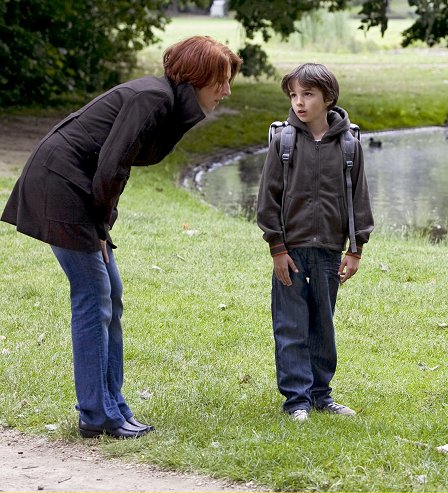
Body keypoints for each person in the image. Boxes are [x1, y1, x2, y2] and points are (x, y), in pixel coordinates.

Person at [1, 36, 242, 439]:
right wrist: (100, 224)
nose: (226, 91)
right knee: (93, 295)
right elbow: (112, 165)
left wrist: (101, 224)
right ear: (196, 75)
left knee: (110, 292)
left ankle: (113, 407)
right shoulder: (153, 98)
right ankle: (97, 413)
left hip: (77, 186)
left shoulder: (163, 99)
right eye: (220, 80)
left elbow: (117, 163)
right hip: (60, 184)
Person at [257, 63, 374, 422]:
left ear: (328, 98)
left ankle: (321, 395)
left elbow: (360, 202)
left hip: (329, 253)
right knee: (291, 325)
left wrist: (356, 249)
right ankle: (296, 401)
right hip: (290, 251)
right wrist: (277, 249)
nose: (299, 102)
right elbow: (267, 200)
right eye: (293, 95)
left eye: (307, 94)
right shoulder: (283, 141)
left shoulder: (349, 145)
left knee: (323, 325)